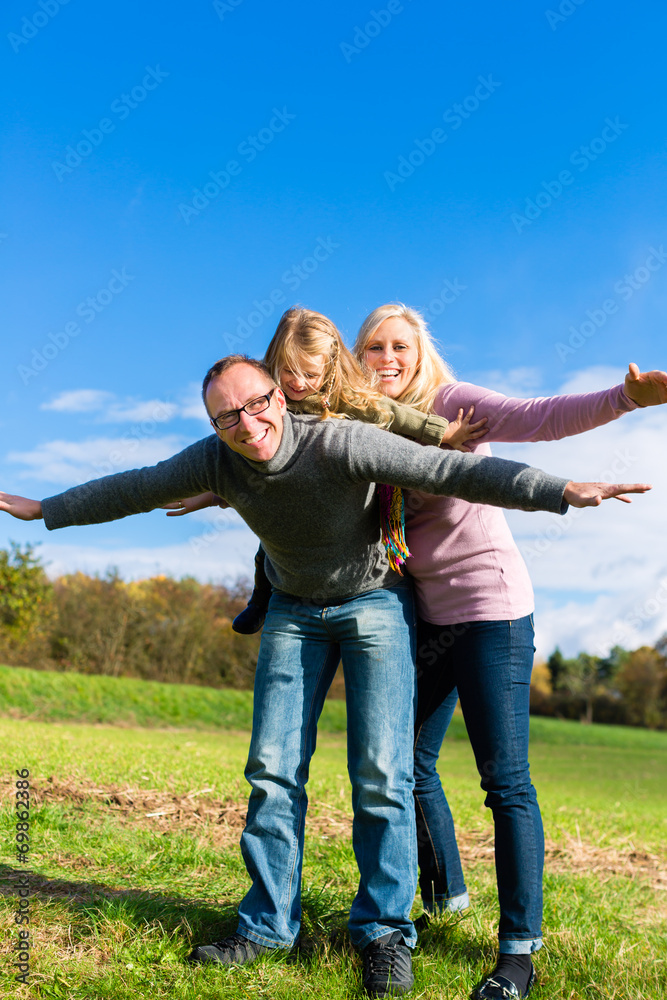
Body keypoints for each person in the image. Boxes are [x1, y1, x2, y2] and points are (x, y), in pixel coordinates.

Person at [0, 355, 650, 999]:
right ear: (214, 425)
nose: (246, 422)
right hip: (293, 609)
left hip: (372, 602)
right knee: (272, 771)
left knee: (382, 773)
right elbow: (135, 486)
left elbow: (450, 469)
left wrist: (559, 491)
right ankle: (264, 928)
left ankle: (385, 935)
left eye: (256, 403)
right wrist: (43, 510)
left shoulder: (338, 439)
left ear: (280, 398)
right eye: (227, 415)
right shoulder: (215, 459)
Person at [354, 302, 666, 1000]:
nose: (387, 359)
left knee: (505, 782)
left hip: (490, 607)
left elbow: (540, 415)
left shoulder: (453, 403)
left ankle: (518, 951)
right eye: (373, 347)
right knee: (401, 762)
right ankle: (446, 895)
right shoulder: (361, 426)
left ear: (420, 353)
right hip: (426, 613)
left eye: (399, 345)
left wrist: (626, 399)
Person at [167, 307, 487, 634]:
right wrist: (206, 495)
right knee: (272, 539)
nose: (298, 382)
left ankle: (374, 589)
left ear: (329, 367)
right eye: (289, 370)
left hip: (339, 499)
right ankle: (261, 598)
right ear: (276, 362)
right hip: (288, 498)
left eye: (310, 373)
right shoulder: (268, 404)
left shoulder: (346, 399)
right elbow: (235, 458)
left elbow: (394, 415)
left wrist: (443, 433)